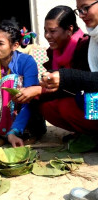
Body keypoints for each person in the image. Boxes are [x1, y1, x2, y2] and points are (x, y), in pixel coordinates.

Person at [0, 20, 44, 148]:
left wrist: (15, 130)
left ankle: (19, 132)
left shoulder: (27, 62)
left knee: (11, 81)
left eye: (0, 43)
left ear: (14, 45)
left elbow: (30, 100)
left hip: (22, 115)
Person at [40, 0, 98, 136]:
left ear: (69, 30)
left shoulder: (83, 46)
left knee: (69, 105)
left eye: (86, 8)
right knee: (47, 105)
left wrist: (64, 77)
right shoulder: (93, 40)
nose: (82, 15)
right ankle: (86, 132)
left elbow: (83, 85)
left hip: (90, 98)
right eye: (79, 10)